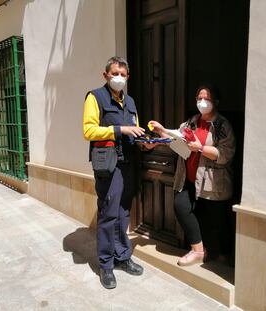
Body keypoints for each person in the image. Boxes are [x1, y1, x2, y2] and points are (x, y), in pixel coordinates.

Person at [83, 56, 156, 289]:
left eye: (123, 75)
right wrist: (120, 129)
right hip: (108, 164)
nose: (119, 78)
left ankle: (122, 257)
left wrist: (145, 142)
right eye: (115, 73)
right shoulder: (94, 97)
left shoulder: (131, 102)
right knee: (108, 214)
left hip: (128, 163)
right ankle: (105, 265)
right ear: (105, 75)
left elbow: (134, 131)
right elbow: (89, 130)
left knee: (124, 213)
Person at [149, 85, 236, 266]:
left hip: (212, 182)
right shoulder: (192, 122)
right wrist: (162, 131)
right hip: (189, 178)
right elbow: (178, 137)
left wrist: (201, 148)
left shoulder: (222, 125)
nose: (202, 102)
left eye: (207, 99)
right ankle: (198, 251)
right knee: (181, 206)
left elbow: (226, 154)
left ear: (216, 102)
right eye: (199, 98)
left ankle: (223, 255)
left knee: (216, 221)